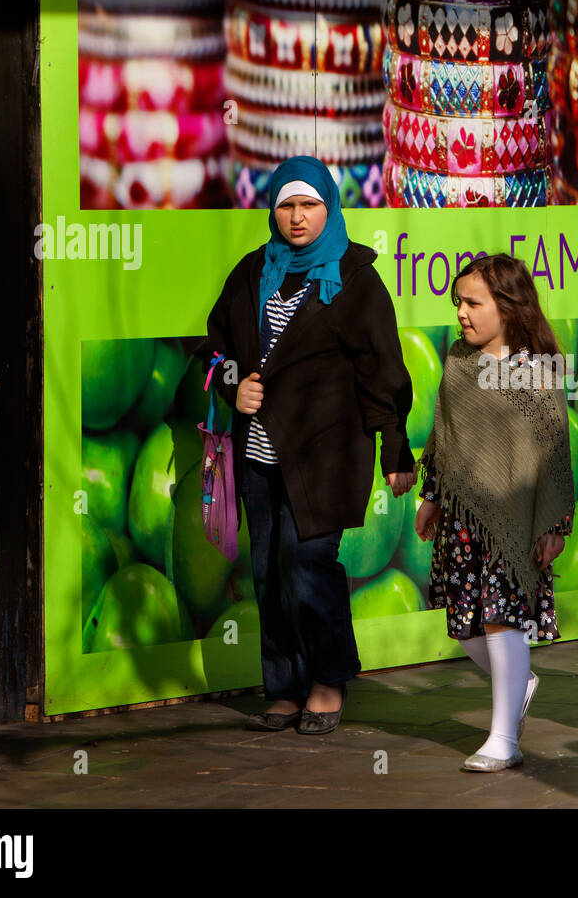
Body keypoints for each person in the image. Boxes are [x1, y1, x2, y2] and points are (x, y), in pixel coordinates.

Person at [199, 156, 416, 735]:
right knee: (269, 570)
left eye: (310, 205)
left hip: (326, 455)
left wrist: (395, 451)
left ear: (330, 207)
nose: (298, 218)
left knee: (309, 566)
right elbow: (214, 350)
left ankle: (327, 680)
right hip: (260, 458)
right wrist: (231, 383)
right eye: (287, 206)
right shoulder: (252, 273)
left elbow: (383, 372)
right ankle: (285, 685)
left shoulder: (355, 278)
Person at [415, 253, 576, 772]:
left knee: (500, 620)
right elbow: (445, 439)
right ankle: (519, 681)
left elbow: (554, 454)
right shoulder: (460, 362)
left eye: (473, 302)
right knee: (466, 627)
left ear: (507, 307)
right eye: (458, 301)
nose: (462, 311)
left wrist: (555, 524)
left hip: (518, 521)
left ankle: (503, 738)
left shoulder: (539, 371)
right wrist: (433, 496)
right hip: (464, 521)